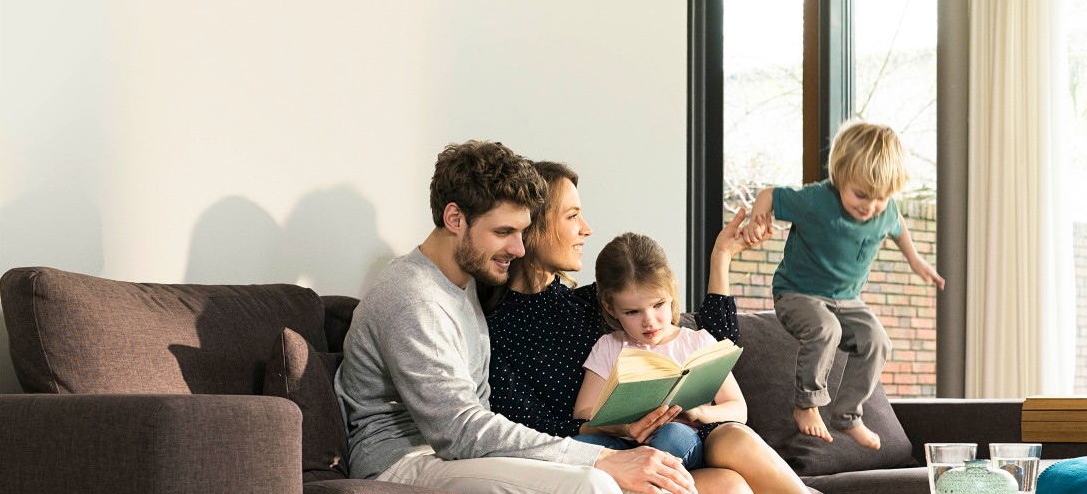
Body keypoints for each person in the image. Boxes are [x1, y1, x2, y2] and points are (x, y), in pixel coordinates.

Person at [335, 141, 696, 494]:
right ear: (454, 218)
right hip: (402, 461)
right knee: (593, 481)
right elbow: (458, 430)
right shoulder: (412, 297)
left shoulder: (464, 287)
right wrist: (597, 457)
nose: (519, 248)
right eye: (503, 232)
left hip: (456, 456)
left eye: (521, 232)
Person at [479, 161, 758, 493]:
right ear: (533, 225)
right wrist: (620, 427)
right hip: (587, 463)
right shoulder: (494, 329)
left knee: (732, 481)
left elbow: (716, 345)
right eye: (572, 216)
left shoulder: (589, 304)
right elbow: (530, 428)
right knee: (728, 485)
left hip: (656, 449)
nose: (586, 229)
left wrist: (721, 257)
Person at [739, 121, 946, 449]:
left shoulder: (884, 209)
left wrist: (916, 261)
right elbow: (769, 196)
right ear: (839, 176)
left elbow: (897, 224)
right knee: (826, 329)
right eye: (861, 195)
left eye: (880, 199)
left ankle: (848, 416)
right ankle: (806, 405)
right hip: (797, 293)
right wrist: (757, 219)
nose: (870, 207)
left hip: (848, 300)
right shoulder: (817, 200)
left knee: (878, 341)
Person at [570, 227, 807, 494]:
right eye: (633, 311)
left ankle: (650, 480)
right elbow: (583, 415)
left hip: (681, 444)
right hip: (626, 448)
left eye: (657, 305)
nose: (649, 320)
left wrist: (698, 413)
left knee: (673, 435)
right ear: (611, 308)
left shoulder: (697, 342)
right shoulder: (610, 346)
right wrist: (624, 423)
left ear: (671, 293)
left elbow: (738, 409)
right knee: (583, 445)